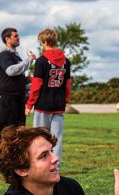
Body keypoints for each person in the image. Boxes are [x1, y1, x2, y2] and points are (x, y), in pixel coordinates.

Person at [25, 28, 71, 168]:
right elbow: (68, 84)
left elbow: (36, 86)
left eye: (41, 42)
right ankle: (55, 167)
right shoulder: (66, 62)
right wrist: (65, 99)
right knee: (57, 139)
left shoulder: (41, 61)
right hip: (58, 106)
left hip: (43, 105)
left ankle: (39, 165)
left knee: (39, 138)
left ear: (44, 42)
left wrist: (29, 105)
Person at [0, 27, 36, 145]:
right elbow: (10, 71)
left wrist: (27, 79)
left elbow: (15, 78)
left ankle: (15, 160)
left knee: (19, 131)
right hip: (7, 99)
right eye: (15, 36)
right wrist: (29, 60)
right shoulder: (4, 55)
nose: (18, 38)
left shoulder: (17, 57)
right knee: (6, 131)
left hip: (18, 99)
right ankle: (3, 160)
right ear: (7, 39)